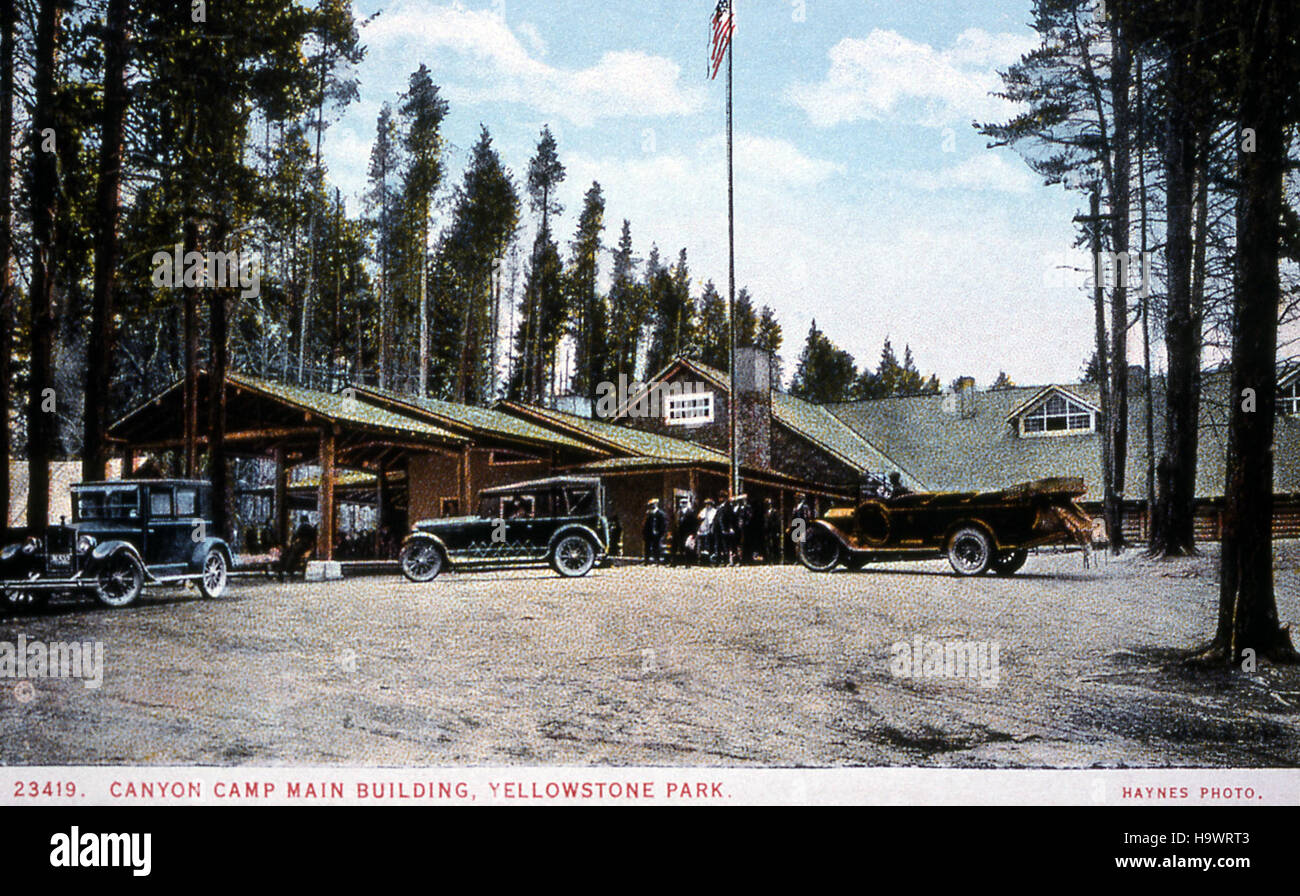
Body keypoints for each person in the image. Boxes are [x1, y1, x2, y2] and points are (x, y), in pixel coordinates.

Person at [672, 497, 698, 567]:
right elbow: (674, 522)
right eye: (682, 503)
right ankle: (677, 562)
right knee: (679, 547)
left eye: (685, 503)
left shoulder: (691, 512)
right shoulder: (677, 512)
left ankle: (688, 563)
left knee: (687, 548)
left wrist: (693, 534)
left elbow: (694, 524)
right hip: (678, 533)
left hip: (687, 533)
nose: (683, 504)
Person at [715, 491, 738, 566]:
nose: (721, 499)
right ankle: (719, 561)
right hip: (718, 529)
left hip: (725, 528)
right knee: (718, 545)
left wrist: (730, 527)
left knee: (726, 545)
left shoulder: (728, 507)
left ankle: (727, 560)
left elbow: (731, 518)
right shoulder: (719, 507)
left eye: (722, 497)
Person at [642, 499, 668, 564]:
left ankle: (657, 560)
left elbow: (663, 524)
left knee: (656, 547)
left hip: (657, 533)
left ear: (656, 505)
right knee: (647, 546)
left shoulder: (661, 514)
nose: (652, 506)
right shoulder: (648, 514)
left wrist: (661, 533)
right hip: (649, 533)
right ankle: (646, 560)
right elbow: (645, 524)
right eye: (651, 505)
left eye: (653, 505)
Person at [696, 499, 717, 563]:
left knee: (709, 544)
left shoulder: (714, 511)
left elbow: (713, 520)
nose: (707, 505)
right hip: (703, 529)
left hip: (710, 530)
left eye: (709, 504)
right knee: (701, 544)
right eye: (706, 504)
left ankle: (709, 558)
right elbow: (699, 517)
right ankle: (701, 558)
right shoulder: (704, 510)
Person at [763, 497, 782, 564]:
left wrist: (778, 531)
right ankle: (769, 560)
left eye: (769, 504)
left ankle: (777, 560)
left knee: (775, 545)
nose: (768, 505)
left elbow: (777, 522)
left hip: (774, 530)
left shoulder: (775, 512)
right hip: (768, 531)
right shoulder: (765, 513)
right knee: (768, 545)